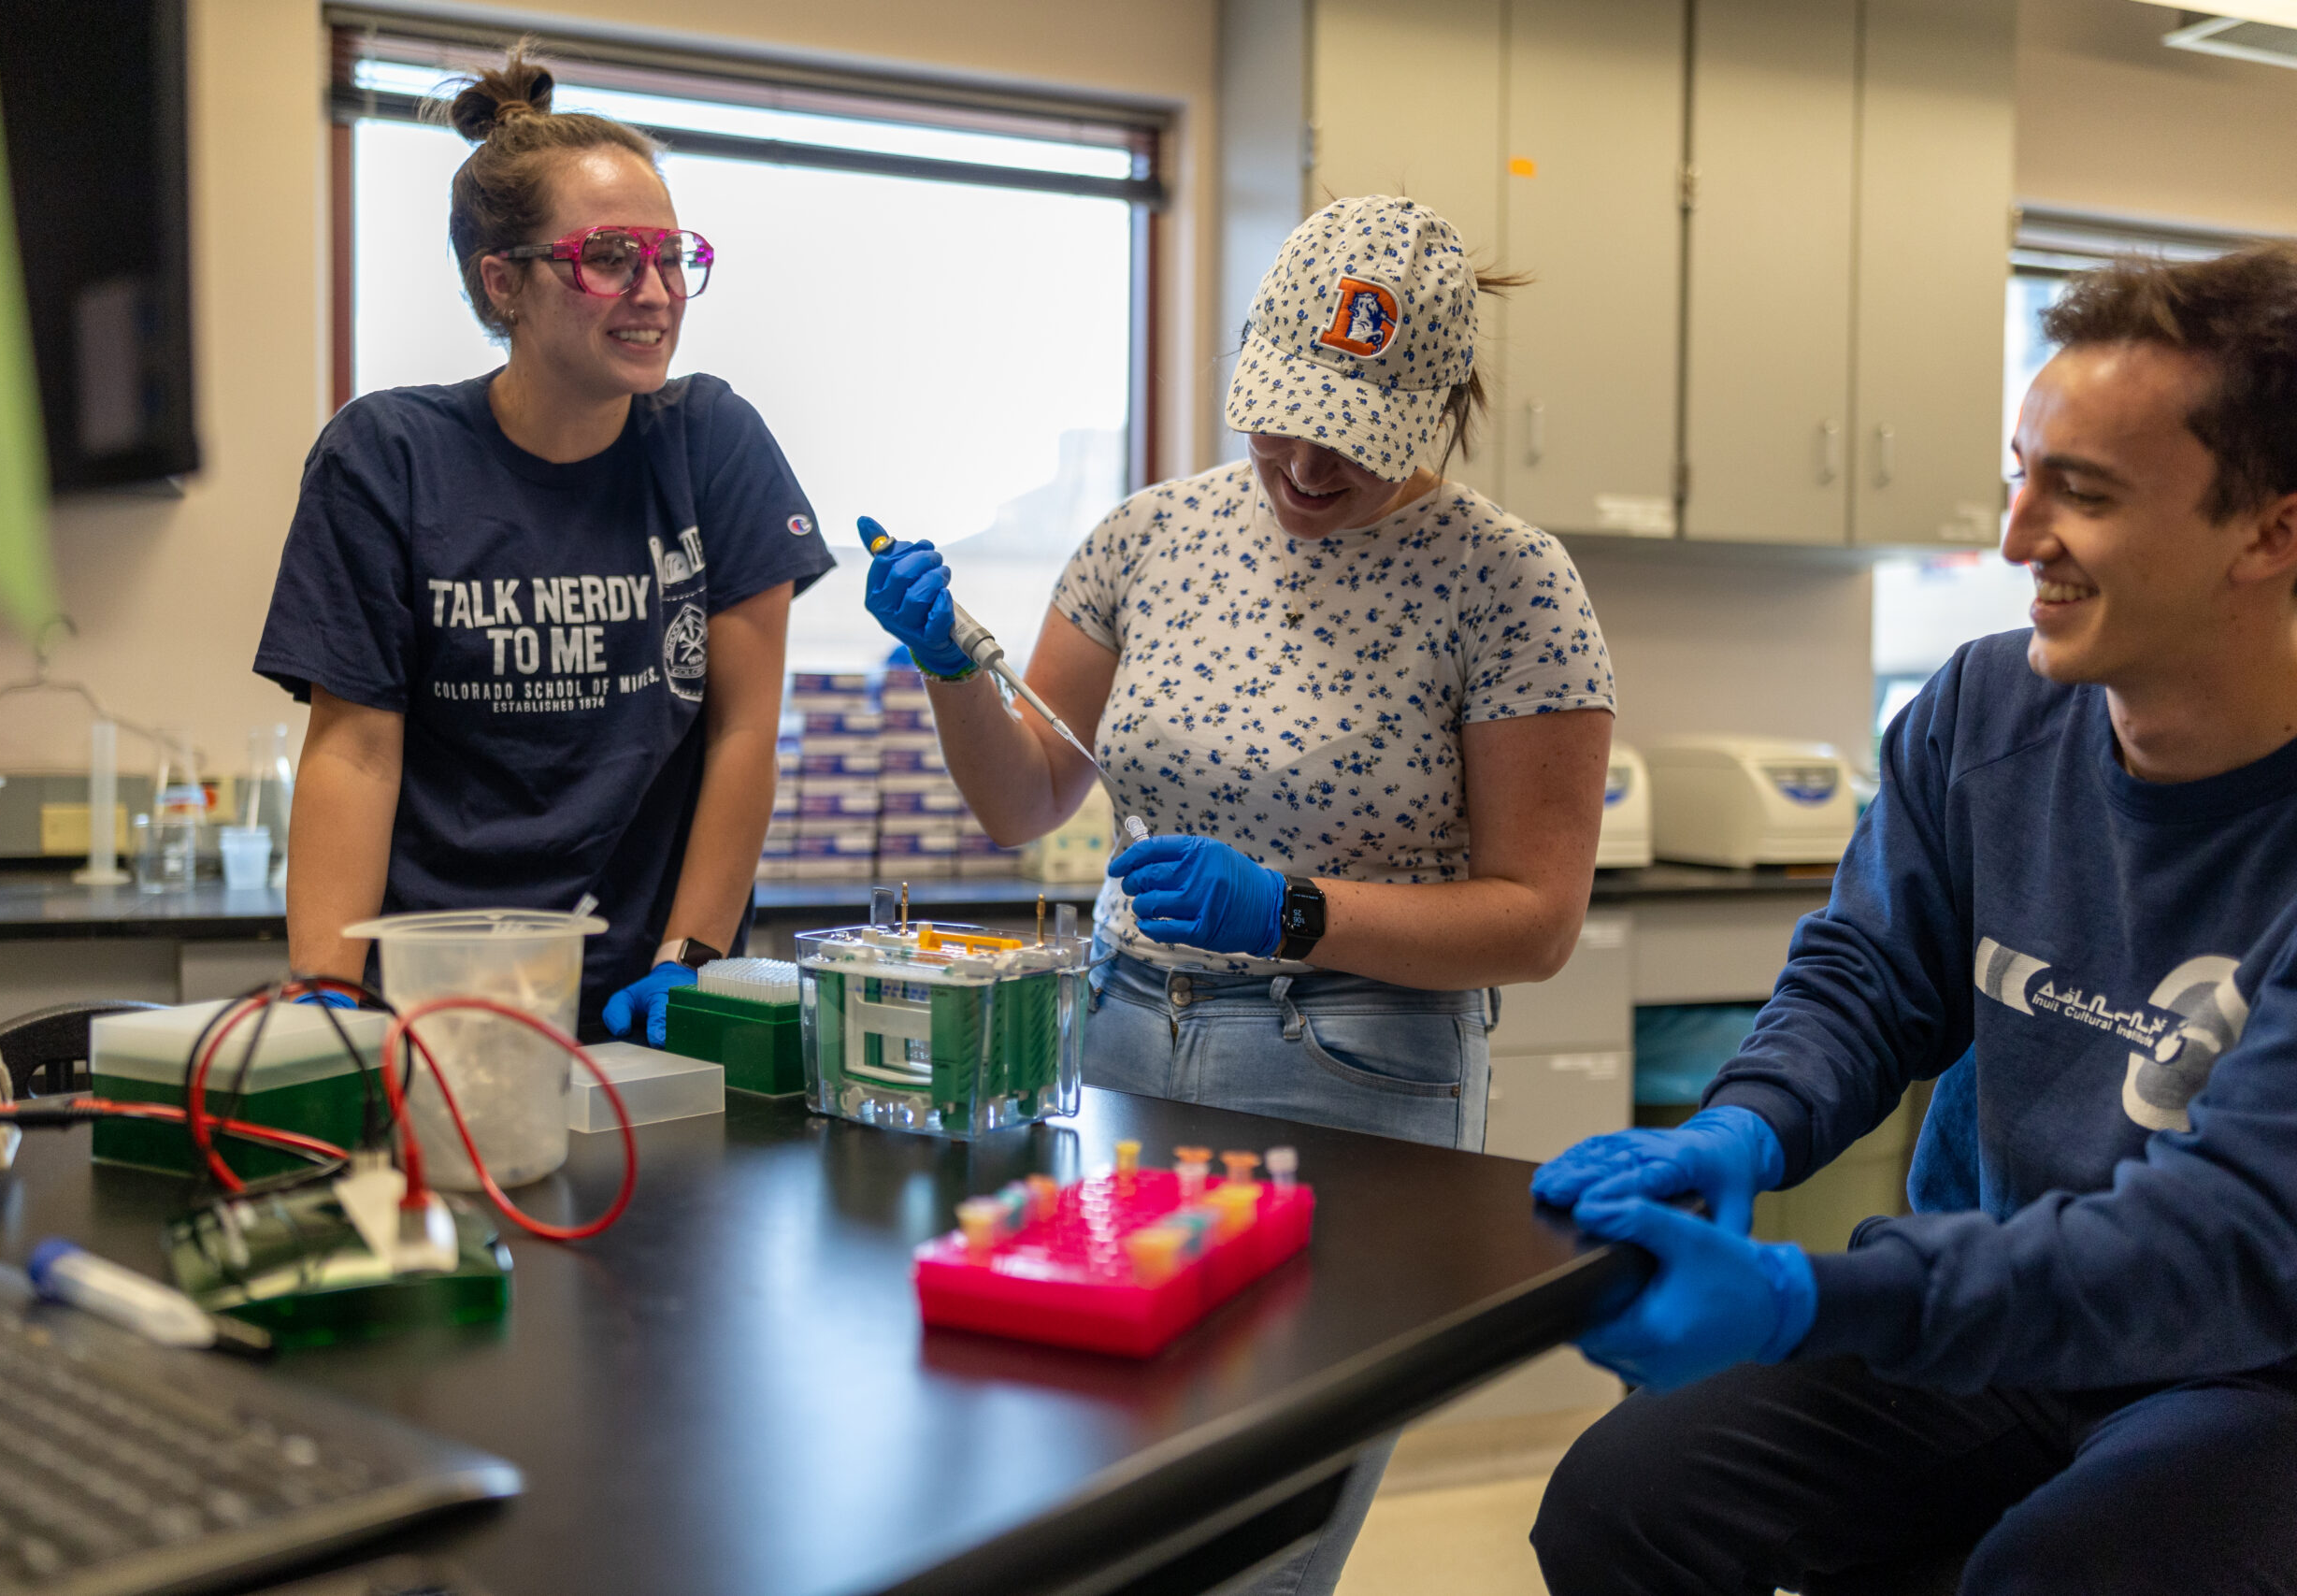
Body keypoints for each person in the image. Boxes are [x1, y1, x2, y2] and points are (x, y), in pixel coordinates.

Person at [861, 195, 1617, 1595]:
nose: (1303, 460)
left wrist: (1292, 907)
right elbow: (1026, 795)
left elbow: (1536, 915)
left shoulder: (1514, 586)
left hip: (1356, 1062)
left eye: (1350, 433)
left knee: (1263, 1537)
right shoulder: (1149, 536)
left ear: (1440, 408)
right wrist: (952, 669)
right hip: (1123, 1043)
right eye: (1280, 414)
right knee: (1101, 1481)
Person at [1529, 245, 2297, 1595]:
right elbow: (1869, 974)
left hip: (2246, 1362)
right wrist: (1744, 1120)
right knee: (1623, 1498)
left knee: (2051, 1572)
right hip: (2010, 1316)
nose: (2015, 535)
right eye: (2022, 469)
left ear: (2270, 533)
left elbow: (2220, 1236)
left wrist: (1806, 1293)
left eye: (2086, 492)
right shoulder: (1988, 710)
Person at [255, 47, 831, 1040]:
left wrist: (692, 957)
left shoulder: (712, 443)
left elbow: (741, 731)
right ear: (503, 282)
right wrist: (327, 994)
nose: (654, 291)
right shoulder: (387, 457)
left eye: (670, 256)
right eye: (610, 258)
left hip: (640, 992)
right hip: (431, 994)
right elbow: (354, 751)